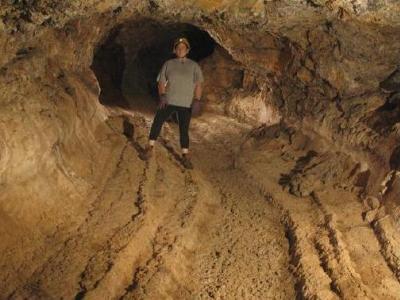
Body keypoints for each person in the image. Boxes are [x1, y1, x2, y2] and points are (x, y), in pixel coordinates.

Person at [139, 37, 204, 169]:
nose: (181, 50)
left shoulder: (194, 66)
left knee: (184, 129)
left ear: (187, 50)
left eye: (183, 48)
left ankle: (185, 155)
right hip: (168, 100)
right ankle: (150, 147)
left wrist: (197, 100)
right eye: (178, 48)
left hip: (185, 103)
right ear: (175, 50)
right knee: (157, 121)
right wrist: (162, 95)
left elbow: (198, 84)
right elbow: (161, 81)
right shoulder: (168, 64)